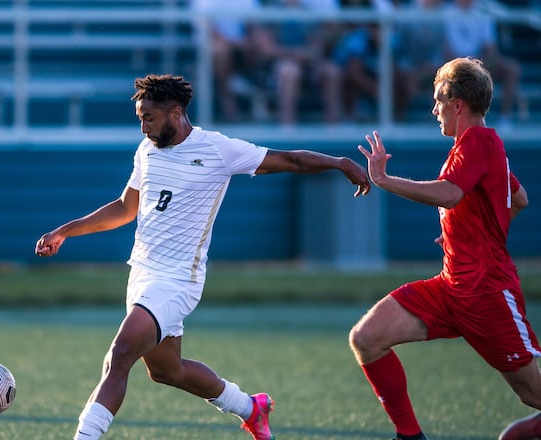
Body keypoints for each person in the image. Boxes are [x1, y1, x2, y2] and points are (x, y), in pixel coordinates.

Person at [35, 73, 371, 440]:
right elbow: (123, 208)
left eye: (148, 117)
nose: (143, 126)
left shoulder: (216, 149)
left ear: (175, 112)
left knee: (120, 355)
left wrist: (341, 163)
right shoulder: (146, 151)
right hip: (142, 276)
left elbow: (290, 160)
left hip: (178, 280)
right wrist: (64, 231)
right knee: (167, 371)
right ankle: (250, 407)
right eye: (139, 118)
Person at [348, 57, 540, 440]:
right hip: (452, 287)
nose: (434, 109)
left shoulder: (479, 141)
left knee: (530, 393)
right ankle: (410, 437)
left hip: (487, 293)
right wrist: (466, 230)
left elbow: (451, 194)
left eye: (438, 100)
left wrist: (384, 180)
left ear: (457, 103)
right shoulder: (476, 146)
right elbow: (517, 199)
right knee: (367, 338)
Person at [192, 0, 282, 122]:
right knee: (220, 50)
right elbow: (210, 31)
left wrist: (251, 40)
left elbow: (253, 25)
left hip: (241, 46)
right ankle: (226, 95)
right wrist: (237, 44)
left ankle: (263, 92)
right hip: (214, 46)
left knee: (262, 42)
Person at [443, 0, 522, 128]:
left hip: (479, 62)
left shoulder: (482, 13)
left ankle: (505, 118)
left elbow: (490, 47)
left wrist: (482, 61)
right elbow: (445, 49)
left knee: (511, 69)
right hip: (452, 65)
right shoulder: (444, 14)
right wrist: (463, 63)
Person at [268, 0, 343, 125]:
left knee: (332, 71)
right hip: (278, 65)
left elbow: (316, 44)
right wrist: (294, 53)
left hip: (309, 63)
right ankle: (287, 127)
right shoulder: (270, 12)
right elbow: (267, 48)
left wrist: (312, 56)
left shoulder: (309, 13)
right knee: (289, 71)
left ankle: (333, 126)